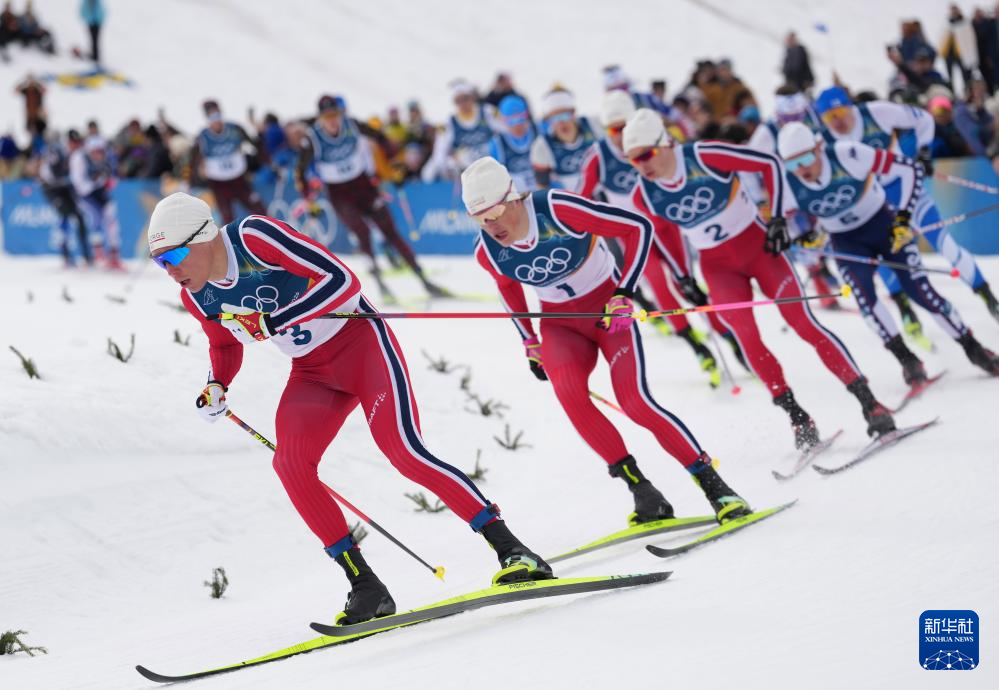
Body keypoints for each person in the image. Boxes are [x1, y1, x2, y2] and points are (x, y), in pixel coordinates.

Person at [146, 192, 554, 623]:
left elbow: (342, 281)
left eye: (174, 255)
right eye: (159, 262)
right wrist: (217, 383)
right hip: (312, 373)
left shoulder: (253, 238)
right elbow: (224, 344)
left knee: (405, 453)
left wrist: (275, 320)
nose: (169, 270)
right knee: (290, 465)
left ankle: (513, 550)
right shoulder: (198, 297)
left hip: (363, 348)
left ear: (204, 236)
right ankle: (366, 586)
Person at [465, 156, 753, 525]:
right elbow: (507, 287)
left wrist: (624, 292)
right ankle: (642, 491)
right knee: (570, 396)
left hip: (607, 313)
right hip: (561, 326)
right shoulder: (486, 251)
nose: (490, 226)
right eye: (479, 219)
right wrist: (529, 341)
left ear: (513, 198)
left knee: (635, 403)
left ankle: (716, 487)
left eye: (494, 213)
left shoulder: (557, 209)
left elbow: (637, 228)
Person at [623, 108, 896, 447]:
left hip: (761, 251)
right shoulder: (643, 194)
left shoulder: (703, 155)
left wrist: (777, 218)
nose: (642, 165)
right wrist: (683, 276)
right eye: (633, 160)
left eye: (646, 154)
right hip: (719, 268)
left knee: (803, 323)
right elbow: (665, 232)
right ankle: (798, 418)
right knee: (746, 336)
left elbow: (769, 164)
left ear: (664, 143)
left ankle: (869, 403)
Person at [778, 122, 999, 380]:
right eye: (792, 164)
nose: (801, 169)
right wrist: (804, 237)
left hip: (883, 226)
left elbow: (909, 169)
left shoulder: (846, 154)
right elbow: (779, 222)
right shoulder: (787, 183)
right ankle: (907, 360)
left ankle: (974, 349)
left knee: (921, 292)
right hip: (847, 242)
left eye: (805, 159)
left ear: (818, 148)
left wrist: (903, 217)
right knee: (865, 300)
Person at [578, 90, 741, 385]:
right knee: (659, 285)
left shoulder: (653, 141)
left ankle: (728, 336)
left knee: (686, 283)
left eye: (625, 126)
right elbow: (580, 200)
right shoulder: (598, 156)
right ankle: (698, 348)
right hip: (633, 235)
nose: (621, 135)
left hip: (664, 225)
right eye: (613, 130)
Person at [814, 86, 999, 322]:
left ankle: (988, 297)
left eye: (840, 113)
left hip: (906, 188)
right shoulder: (824, 141)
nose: (837, 121)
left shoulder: (876, 113)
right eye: (829, 117)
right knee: (885, 260)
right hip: (875, 205)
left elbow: (924, 119)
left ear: (851, 108)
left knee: (944, 244)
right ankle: (906, 312)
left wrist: (924, 153)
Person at [296, 94, 447, 300]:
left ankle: (424, 280)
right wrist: (308, 199)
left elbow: (381, 137)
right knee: (362, 232)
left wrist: (395, 163)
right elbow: (300, 171)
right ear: (320, 118)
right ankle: (381, 285)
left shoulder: (352, 125)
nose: (332, 121)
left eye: (335, 115)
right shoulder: (312, 138)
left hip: (364, 186)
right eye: (327, 117)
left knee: (390, 231)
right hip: (339, 194)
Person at [190, 100, 266, 224]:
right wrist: (190, 180)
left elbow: (255, 145)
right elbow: (192, 161)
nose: (216, 121)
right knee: (227, 218)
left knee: (260, 210)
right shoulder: (202, 137)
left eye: (218, 115)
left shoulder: (235, 129)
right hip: (219, 184)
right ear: (207, 119)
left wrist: (267, 164)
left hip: (239, 180)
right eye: (212, 117)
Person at [421, 80, 498, 182]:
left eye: (465, 98)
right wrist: (450, 166)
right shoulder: (449, 123)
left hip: (491, 165)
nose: (463, 104)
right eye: (458, 101)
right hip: (467, 171)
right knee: (428, 172)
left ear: (472, 97)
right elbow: (439, 153)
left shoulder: (488, 112)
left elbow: (509, 133)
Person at [69, 135, 121, 269]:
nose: (98, 155)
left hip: (100, 192)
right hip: (85, 195)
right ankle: (98, 253)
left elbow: (114, 176)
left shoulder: (108, 158)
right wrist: (98, 182)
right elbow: (79, 185)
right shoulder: (79, 158)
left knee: (111, 219)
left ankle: (114, 255)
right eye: (95, 152)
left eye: (101, 151)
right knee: (95, 218)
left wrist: (108, 181)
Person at [530, 88, 597, 191]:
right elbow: (542, 187)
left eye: (564, 116)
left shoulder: (593, 126)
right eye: (555, 118)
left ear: (573, 114)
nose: (561, 123)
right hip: (570, 197)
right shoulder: (542, 146)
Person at [39, 129, 90, 266]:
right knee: (65, 215)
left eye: (78, 142)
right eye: (73, 142)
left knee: (79, 217)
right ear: (68, 142)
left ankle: (86, 255)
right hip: (52, 189)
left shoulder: (78, 154)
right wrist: (71, 177)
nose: (76, 145)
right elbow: (56, 174)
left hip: (63, 188)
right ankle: (66, 255)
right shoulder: (57, 151)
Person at [487, 94, 537, 193]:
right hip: (517, 195)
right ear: (503, 120)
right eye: (511, 121)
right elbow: (496, 177)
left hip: (541, 190)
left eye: (520, 119)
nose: (517, 126)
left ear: (526, 116)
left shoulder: (538, 131)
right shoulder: (497, 143)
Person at [79, 0, 104, 64]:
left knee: (95, 40)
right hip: (91, 22)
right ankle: (94, 55)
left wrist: (98, 20)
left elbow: (101, 11)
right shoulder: (87, 2)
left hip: (96, 23)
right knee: (93, 39)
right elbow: (83, 10)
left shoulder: (97, 2)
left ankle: (96, 56)